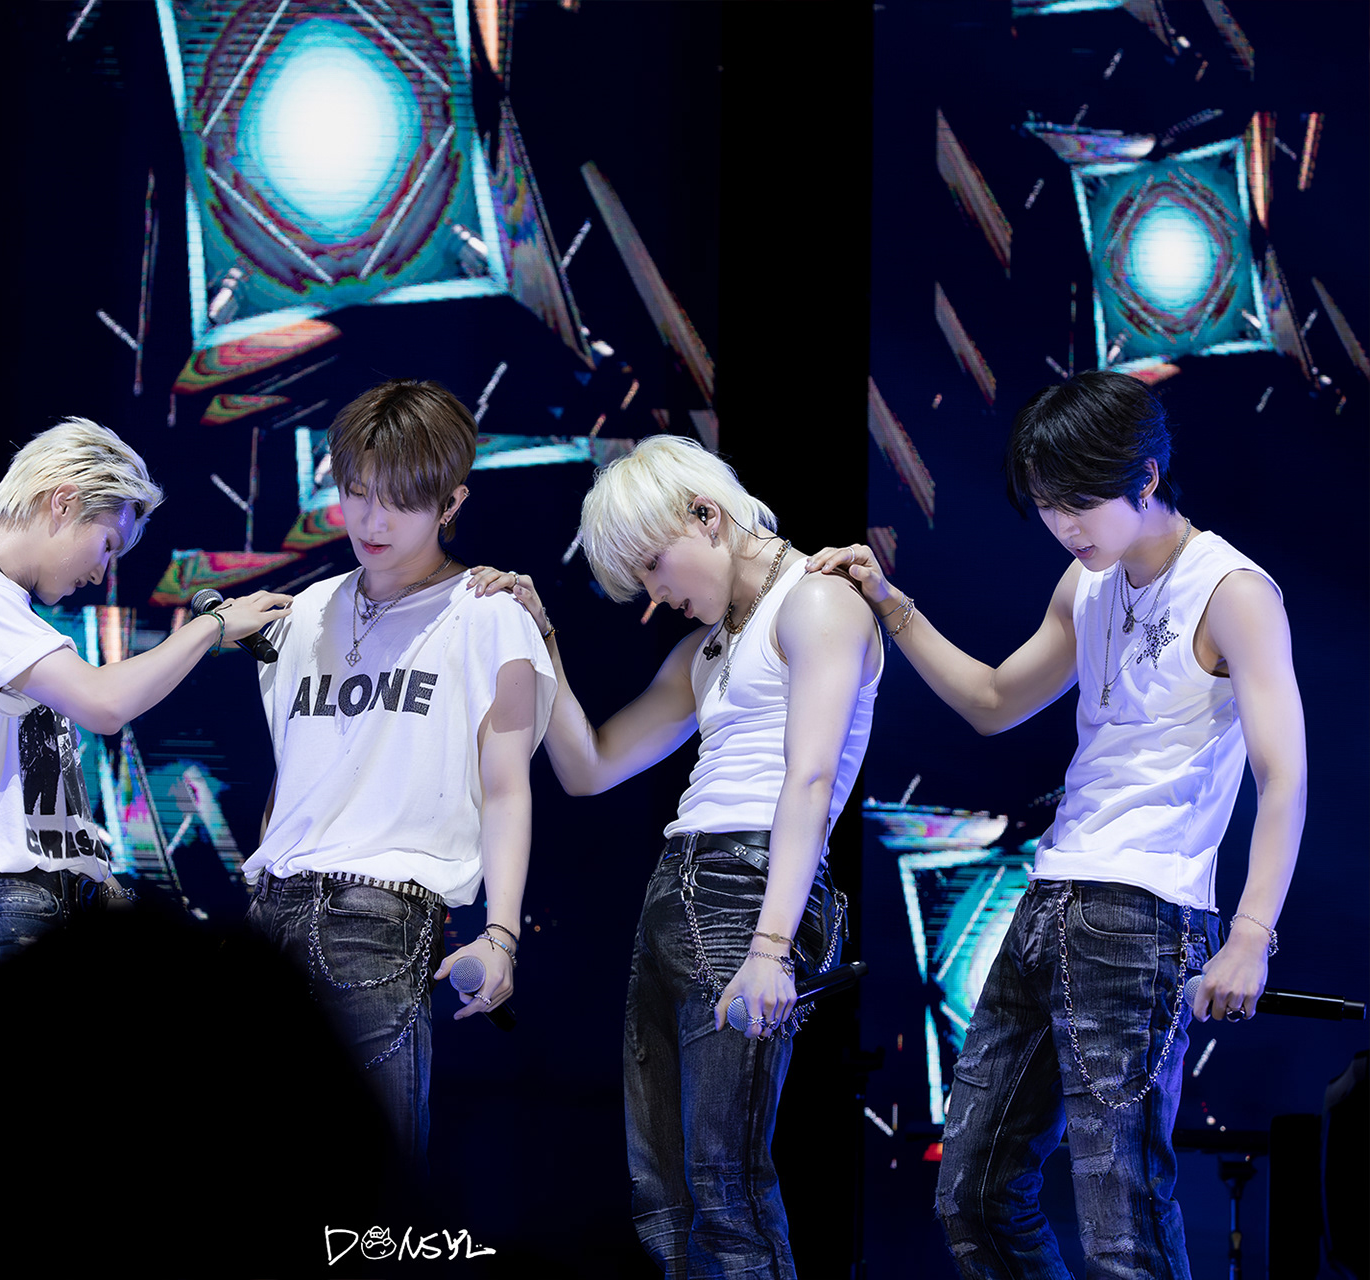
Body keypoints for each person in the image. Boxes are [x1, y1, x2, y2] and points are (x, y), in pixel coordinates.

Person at [807, 370, 1305, 1277]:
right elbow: (996, 701)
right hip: (1046, 903)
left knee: (1123, 1223)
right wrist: (892, 606)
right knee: (973, 1196)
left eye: (1079, 503)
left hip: (1144, 911)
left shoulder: (1233, 591)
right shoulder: (1086, 583)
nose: (1065, 526)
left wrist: (1251, 935)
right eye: (1046, 506)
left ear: (1146, 477)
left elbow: (1284, 777)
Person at [470, 432, 881, 1276]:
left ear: (706, 514)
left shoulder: (817, 600)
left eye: (655, 566)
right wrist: (543, 640)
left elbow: (808, 780)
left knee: (726, 1190)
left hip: (751, 892)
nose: (656, 596)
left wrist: (772, 946)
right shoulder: (705, 650)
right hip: (678, 892)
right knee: (666, 1200)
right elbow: (589, 768)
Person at [243, 379, 556, 1167]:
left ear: (451, 503)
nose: (372, 521)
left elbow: (507, 790)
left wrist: (502, 934)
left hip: (377, 923)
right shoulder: (306, 612)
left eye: (400, 502)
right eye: (357, 493)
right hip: (271, 915)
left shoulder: (489, 615)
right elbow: (294, 775)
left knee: (366, 1184)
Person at [0, 416, 289, 1020]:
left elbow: (38, 792)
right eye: (107, 545)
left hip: (30, 906)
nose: (103, 573)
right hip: (0, 910)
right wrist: (212, 627)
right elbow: (104, 703)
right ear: (63, 501)